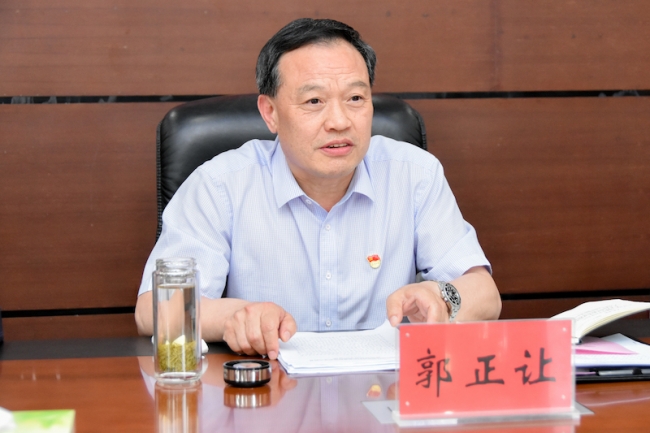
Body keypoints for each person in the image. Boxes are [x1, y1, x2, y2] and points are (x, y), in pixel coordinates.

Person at [135, 18, 501, 360]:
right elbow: (154, 310)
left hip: (384, 392)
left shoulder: (414, 175)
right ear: (270, 112)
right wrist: (235, 316)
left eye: (355, 99)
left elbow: (485, 294)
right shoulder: (220, 185)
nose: (340, 121)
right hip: (267, 393)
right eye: (314, 101)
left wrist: (442, 295)